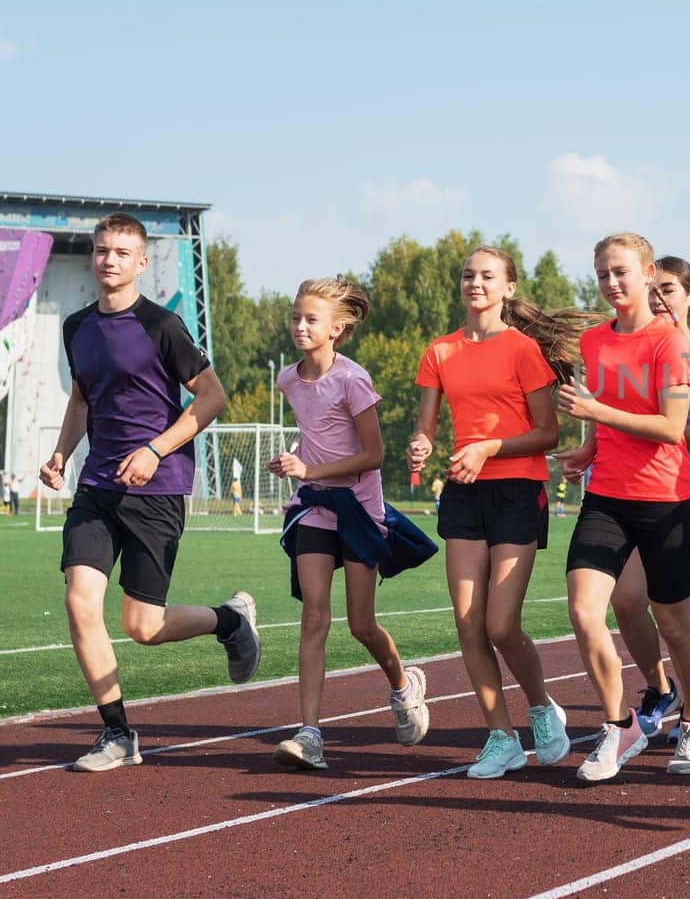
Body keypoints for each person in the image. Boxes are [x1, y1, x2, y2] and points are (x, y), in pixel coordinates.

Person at [38, 213, 259, 772]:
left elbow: (211, 397)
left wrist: (156, 449)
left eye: (120, 252)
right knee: (78, 601)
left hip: (156, 488)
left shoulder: (161, 326)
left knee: (143, 627)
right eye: (100, 250)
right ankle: (117, 734)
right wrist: (63, 453)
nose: (108, 260)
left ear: (141, 263)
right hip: (96, 487)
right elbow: (82, 400)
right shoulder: (76, 328)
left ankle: (230, 620)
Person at [408, 246, 584, 779]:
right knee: (468, 625)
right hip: (464, 493)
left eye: (487, 276)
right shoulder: (439, 351)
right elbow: (426, 427)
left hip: (517, 490)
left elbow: (548, 433)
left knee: (501, 624)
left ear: (508, 287)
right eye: (468, 275)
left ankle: (540, 708)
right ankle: (501, 736)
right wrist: (419, 444)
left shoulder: (523, 350)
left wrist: (488, 447)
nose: (475, 283)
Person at [554, 233, 690, 781]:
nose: (611, 283)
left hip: (665, 499)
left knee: (674, 621)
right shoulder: (595, 341)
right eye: (602, 274)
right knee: (583, 611)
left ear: (648, 273)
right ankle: (618, 725)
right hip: (606, 496)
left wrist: (596, 408)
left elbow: (671, 428)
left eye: (621, 271)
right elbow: (605, 418)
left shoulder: (670, 342)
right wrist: (586, 449)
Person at [265, 277, 431, 770]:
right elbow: (314, 434)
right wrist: (296, 459)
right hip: (314, 504)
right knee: (314, 615)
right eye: (295, 316)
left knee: (361, 624)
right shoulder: (288, 379)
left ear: (336, 328)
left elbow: (373, 456)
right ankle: (310, 733)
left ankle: (403, 686)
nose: (299, 326)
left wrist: (310, 467)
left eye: (311, 319)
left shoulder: (353, 380)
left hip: (358, 508)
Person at [609, 256, 690, 740]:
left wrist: (669, 428)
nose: (659, 299)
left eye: (669, 290)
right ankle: (661, 688)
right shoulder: (632, 347)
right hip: (638, 492)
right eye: (653, 289)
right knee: (625, 600)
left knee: (683, 610)